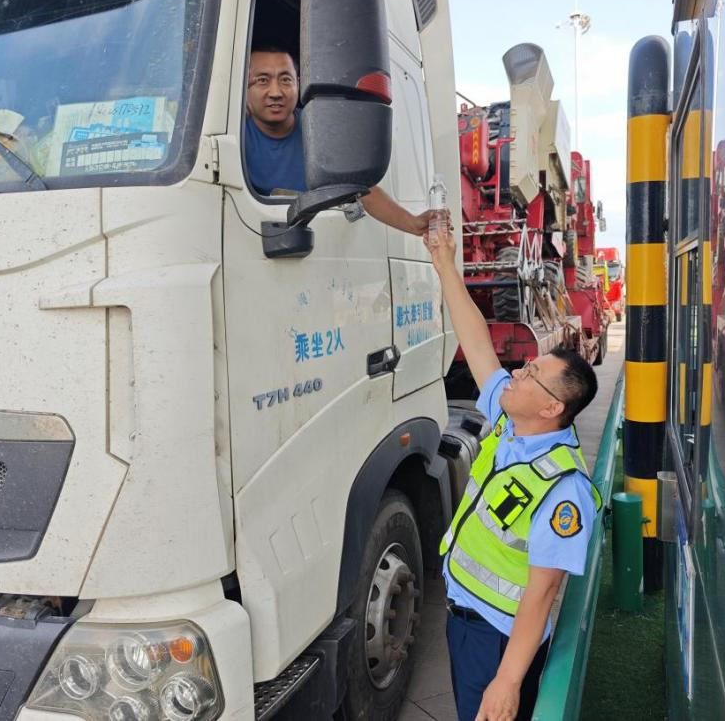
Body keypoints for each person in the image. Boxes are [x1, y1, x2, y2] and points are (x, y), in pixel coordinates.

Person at [426, 227, 602, 721]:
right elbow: (478, 344)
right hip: (466, 620)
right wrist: (445, 266)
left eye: (531, 374)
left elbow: (543, 593)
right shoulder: (511, 424)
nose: (517, 372)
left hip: (497, 639)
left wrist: (507, 680)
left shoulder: (564, 490)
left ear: (551, 407)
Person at [244, 46, 431, 236]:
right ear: (245, 86)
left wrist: (413, 224)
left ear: (298, 84)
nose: (275, 92)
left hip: (319, 238)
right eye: (262, 80)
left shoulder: (318, 130)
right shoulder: (235, 130)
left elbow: (359, 187)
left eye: (285, 80)